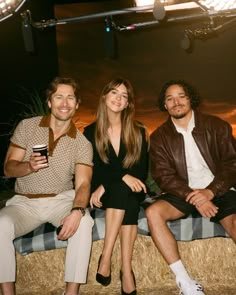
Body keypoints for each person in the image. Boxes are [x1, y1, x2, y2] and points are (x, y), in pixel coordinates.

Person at [0, 77, 94, 295]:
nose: (64, 103)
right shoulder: (28, 126)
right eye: (59, 97)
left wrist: (78, 210)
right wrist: (28, 166)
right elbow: (8, 168)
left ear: (77, 104)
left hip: (60, 200)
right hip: (24, 203)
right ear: (50, 102)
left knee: (84, 222)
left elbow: (83, 184)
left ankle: (71, 292)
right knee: (1, 224)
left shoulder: (82, 143)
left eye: (70, 98)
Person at [146, 79, 236, 295]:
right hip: (182, 191)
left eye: (181, 96)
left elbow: (231, 165)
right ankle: (185, 282)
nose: (176, 102)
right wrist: (194, 196)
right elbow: (164, 177)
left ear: (190, 99)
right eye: (170, 98)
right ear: (165, 105)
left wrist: (210, 192)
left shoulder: (217, 126)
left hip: (218, 188)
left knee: (234, 222)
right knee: (152, 212)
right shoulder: (159, 137)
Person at [83, 77, 149, 295]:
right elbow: (95, 168)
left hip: (133, 187)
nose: (119, 98)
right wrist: (116, 180)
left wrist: (112, 181)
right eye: (114, 92)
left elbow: (140, 171)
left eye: (124, 96)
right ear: (104, 97)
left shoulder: (138, 131)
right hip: (107, 194)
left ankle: (107, 256)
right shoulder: (90, 132)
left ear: (128, 103)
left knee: (127, 192)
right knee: (125, 196)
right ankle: (126, 270)